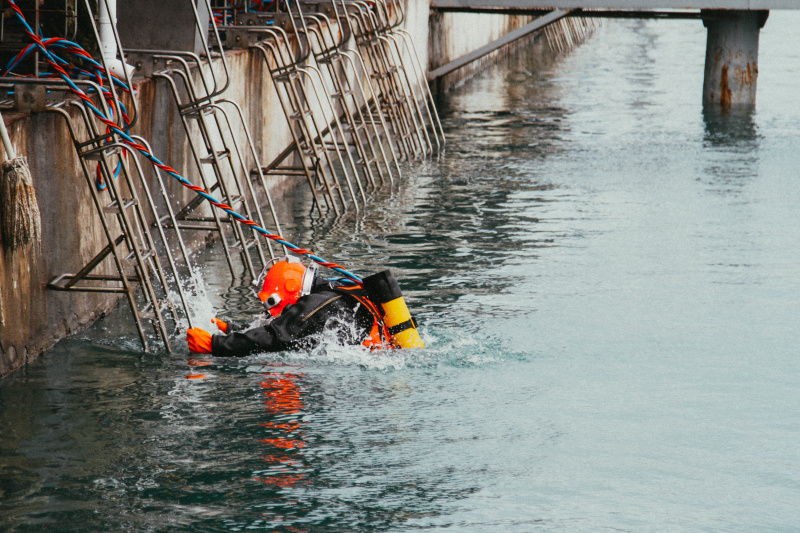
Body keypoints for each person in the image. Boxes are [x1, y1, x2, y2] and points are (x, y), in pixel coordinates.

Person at [186, 257, 391, 356]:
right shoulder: (329, 295)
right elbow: (289, 332)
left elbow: (275, 336)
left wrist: (215, 345)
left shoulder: (316, 303)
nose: (279, 314)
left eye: (280, 306)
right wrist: (235, 330)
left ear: (291, 289)